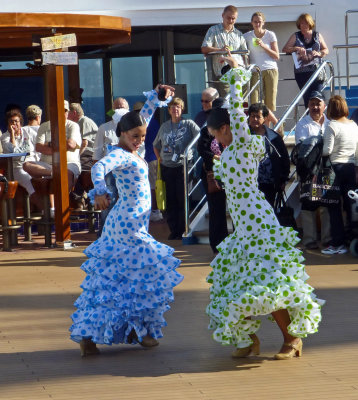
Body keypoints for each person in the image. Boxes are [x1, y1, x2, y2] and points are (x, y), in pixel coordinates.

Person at [205, 54, 324, 360]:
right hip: (242, 225)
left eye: (216, 132)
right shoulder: (229, 152)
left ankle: (291, 338)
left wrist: (235, 81)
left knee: (268, 282)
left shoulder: (244, 144)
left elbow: (236, 111)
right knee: (237, 281)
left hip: (258, 222)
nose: (215, 137)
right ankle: (247, 340)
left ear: (223, 129)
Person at [69, 85, 183, 356]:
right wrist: (99, 192)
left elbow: (144, 114)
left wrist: (157, 97)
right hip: (127, 224)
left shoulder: (135, 151)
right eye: (135, 136)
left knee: (126, 279)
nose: (139, 140)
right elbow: (98, 167)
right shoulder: (119, 154)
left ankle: (132, 332)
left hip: (132, 222)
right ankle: (103, 334)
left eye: (142, 136)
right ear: (121, 133)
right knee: (132, 277)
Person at [153, 97, 200, 240]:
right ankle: (174, 230)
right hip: (167, 167)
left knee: (182, 198)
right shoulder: (164, 126)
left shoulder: (189, 124)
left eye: (178, 107)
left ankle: (182, 229)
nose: (175, 109)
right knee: (170, 199)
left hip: (183, 166)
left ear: (182, 109)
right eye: (172, 107)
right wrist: (160, 159)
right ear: (168, 110)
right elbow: (156, 145)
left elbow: (200, 137)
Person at [321, 96, 358, 255]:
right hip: (350, 168)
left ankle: (337, 244)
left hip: (334, 169)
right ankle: (353, 236)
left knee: (333, 207)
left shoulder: (332, 125)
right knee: (351, 205)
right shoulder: (354, 125)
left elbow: (327, 151)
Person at [295, 91, 331, 249]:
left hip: (327, 172)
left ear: (325, 106)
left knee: (326, 203)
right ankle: (309, 239)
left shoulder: (331, 122)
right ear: (308, 106)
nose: (315, 107)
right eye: (312, 104)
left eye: (318, 104)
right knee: (309, 204)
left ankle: (327, 238)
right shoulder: (303, 124)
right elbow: (303, 148)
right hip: (310, 172)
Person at [23, 100, 82, 193]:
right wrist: (61, 147)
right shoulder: (44, 126)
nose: (62, 113)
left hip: (69, 163)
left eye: (65, 111)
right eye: (58, 110)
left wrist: (48, 145)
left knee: (67, 173)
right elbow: (38, 147)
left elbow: (71, 144)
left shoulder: (73, 126)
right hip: (47, 166)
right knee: (27, 165)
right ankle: (54, 173)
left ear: (68, 112)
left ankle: (63, 206)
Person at [93, 97, 129, 235]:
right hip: (109, 172)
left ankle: (123, 233)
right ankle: (105, 233)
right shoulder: (104, 128)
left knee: (127, 202)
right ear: (112, 110)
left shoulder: (132, 128)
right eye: (117, 107)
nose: (120, 109)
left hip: (127, 172)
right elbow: (97, 153)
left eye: (123, 107)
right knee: (109, 201)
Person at [197, 97, 229, 254]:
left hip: (233, 175)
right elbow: (201, 150)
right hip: (213, 175)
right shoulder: (206, 130)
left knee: (237, 210)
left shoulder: (234, 129)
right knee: (216, 210)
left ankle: (239, 242)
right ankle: (218, 244)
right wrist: (215, 157)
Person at [282, 13, 329, 108]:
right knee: (307, 98)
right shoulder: (296, 36)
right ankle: (308, 119)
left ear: (310, 23)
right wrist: (296, 48)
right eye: (302, 23)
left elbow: (326, 50)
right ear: (299, 25)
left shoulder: (317, 35)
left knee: (318, 96)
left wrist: (319, 53)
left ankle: (320, 119)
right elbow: (285, 49)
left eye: (306, 23)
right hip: (301, 73)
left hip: (317, 72)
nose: (304, 25)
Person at [248, 103, 290, 207]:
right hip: (249, 184)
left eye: (258, 116)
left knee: (268, 214)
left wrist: (283, 179)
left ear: (265, 118)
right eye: (252, 116)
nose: (255, 119)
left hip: (269, 184)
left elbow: (284, 158)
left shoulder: (274, 137)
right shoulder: (243, 136)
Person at [201, 5, 248, 97]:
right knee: (227, 103)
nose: (230, 21)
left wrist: (247, 68)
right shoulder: (213, 30)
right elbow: (204, 48)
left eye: (233, 18)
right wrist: (220, 50)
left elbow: (245, 53)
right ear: (223, 15)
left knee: (243, 101)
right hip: (223, 74)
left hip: (239, 73)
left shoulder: (239, 34)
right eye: (228, 18)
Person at [0, 109, 42, 210]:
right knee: (28, 181)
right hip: (16, 168)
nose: (15, 124)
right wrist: (12, 135)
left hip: (33, 164)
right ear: (8, 124)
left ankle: (52, 208)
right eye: (12, 121)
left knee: (45, 178)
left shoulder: (28, 131)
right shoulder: (5, 137)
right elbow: (15, 154)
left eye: (17, 121)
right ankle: (45, 210)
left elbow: (38, 147)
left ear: (20, 122)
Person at [244, 12, 279, 116]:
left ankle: (269, 127)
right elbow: (244, 53)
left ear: (263, 22)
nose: (257, 24)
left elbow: (276, 56)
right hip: (255, 71)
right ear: (252, 23)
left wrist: (263, 46)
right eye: (255, 22)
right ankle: (258, 127)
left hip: (270, 70)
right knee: (254, 102)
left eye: (259, 21)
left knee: (270, 102)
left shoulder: (270, 35)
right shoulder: (246, 36)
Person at [68, 103, 98, 209]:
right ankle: (78, 199)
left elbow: (84, 143)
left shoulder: (84, 121)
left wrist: (75, 157)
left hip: (90, 157)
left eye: (68, 113)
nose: (66, 115)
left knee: (74, 167)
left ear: (74, 113)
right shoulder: (75, 124)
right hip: (85, 157)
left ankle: (79, 199)